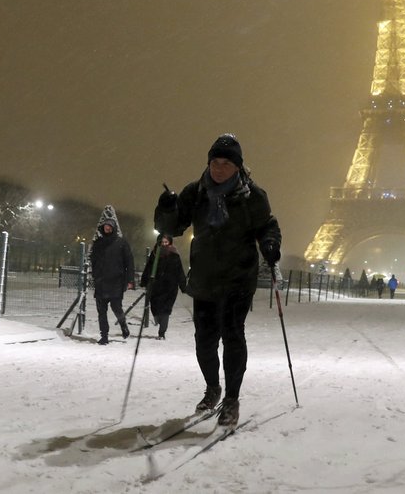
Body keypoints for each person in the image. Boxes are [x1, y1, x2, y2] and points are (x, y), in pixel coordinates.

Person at [155, 133, 281, 427]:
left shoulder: (254, 197)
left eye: (226, 163)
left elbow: (267, 226)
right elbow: (171, 228)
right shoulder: (195, 193)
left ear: (238, 167)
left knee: (233, 337)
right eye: (215, 162)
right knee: (204, 341)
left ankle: (232, 400)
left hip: (238, 278)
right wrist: (165, 208)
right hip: (205, 277)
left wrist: (270, 245)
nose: (219, 168)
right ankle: (213, 388)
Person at [90, 205, 135, 345]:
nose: (107, 228)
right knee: (101, 312)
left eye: (110, 226)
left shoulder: (121, 243)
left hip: (116, 282)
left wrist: (129, 280)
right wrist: (95, 274)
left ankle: (123, 325)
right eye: (105, 226)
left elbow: (129, 262)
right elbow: (93, 259)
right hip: (101, 282)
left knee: (116, 308)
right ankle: (104, 336)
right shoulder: (98, 243)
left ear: (114, 228)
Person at [139, 234, 187, 339]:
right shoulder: (155, 254)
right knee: (155, 308)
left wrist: (183, 286)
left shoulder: (174, 255)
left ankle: (162, 333)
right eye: (162, 242)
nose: (164, 244)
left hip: (170, 287)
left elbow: (180, 272)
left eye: (166, 242)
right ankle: (159, 320)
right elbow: (148, 268)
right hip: (156, 287)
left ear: (170, 242)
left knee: (166, 310)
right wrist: (144, 280)